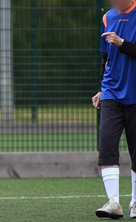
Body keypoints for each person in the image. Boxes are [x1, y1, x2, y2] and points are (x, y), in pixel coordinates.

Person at [93, 0, 136, 219]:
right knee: (107, 144)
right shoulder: (107, 17)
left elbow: (120, 47)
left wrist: (122, 43)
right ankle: (114, 203)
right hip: (111, 92)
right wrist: (101, 89)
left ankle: (135, 203)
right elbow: (106, 59)